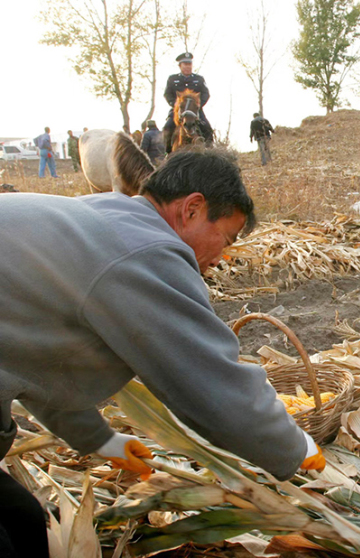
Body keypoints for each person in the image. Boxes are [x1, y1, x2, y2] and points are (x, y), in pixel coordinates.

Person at [0, 150, 324, 557]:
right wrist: (294, 448)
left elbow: (36, 358)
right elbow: (208, 383)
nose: (221, 256)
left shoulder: (107, 218)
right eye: (226, 238)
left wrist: (101, 440)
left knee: (23, 522)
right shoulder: (145, 249)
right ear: (192, 209)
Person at [163, 52, 212, 153]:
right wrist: (175, 104)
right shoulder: (173, 79)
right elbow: (167, 94)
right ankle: (167, 152)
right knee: (167, 127)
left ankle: (210, 151)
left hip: (195, 110)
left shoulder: (198, 79)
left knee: (207, 127)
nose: (187, 67)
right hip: (178, 110)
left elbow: (205, 93)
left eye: (189, 64)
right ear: (180, 66)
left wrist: (198, 104)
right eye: (185, 64)